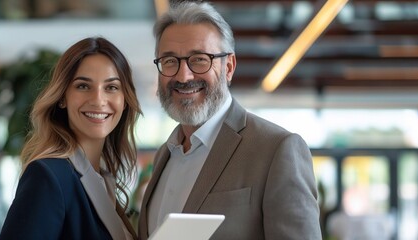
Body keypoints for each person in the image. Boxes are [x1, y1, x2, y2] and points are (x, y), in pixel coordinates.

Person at [137, 2, 321, 239]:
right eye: (170, 61)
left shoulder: (276, 149)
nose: (183, 76)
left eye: (200, 59)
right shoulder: (165, 154)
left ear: (229, 67)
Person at [0, 37, 141, 240]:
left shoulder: (103, 181)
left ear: (125, 100)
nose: (98, 100)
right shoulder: (49, 175)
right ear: (63, 97)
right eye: (83, 86)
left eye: (111, 87)